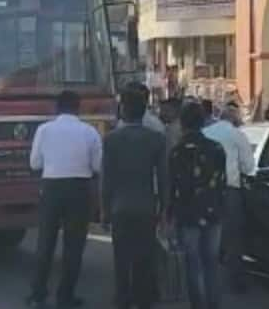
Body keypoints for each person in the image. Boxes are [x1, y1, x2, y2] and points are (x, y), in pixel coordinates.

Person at [28, 91, 102, 309]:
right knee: (74, 246)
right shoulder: (90, 132)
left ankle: (38, 294)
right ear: (78, 108)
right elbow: (98, 166)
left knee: (45, 243)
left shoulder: (44, 130)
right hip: (79, 189)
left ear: (56, 108)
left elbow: (34, 163)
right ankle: (65, 296)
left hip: (51, 187)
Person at [103, 87, 167, 309]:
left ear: (123, 111)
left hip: (120, 207)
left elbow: (106, 180)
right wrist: (165, 208)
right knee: (144, 258)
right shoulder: (156, 139)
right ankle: (143, 300)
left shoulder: (111, 140)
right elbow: (163, 177)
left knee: (121, 258)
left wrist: (104, 211)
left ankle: (122, 299)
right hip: (147, 207)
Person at [168, 102, 227, 309]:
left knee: (193, 264)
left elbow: (172, 188)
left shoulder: (176, 152)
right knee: (212, 262)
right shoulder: (217, 148)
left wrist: (169, 216)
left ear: (182, 123)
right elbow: (222, 182)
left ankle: (199, 305)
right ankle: (214, 304)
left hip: (188, 214)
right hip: (214, 212)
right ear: (203, 122)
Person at [202, 103, 255, 293]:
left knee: (208, 234)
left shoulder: (205, 131)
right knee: (233, 236)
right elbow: (249, 167)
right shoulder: (237, 134)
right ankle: (235, 280)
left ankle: (207, 278)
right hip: (229, 189)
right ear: (234, 119)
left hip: (206, 190)